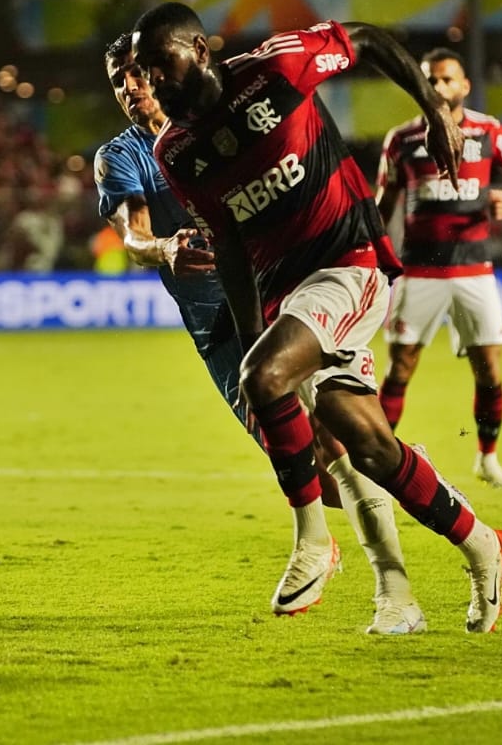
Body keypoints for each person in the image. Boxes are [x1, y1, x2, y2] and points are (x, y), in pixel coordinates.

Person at [132, 3, 502, 632]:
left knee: (264, 381)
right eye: (145, 75)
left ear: (199, 50)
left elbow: (366, 38)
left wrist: (431, 112)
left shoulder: (276, 70)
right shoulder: (176, 151)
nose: (155, 84)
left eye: (162, 65)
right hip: (290, 297)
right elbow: (230, 246)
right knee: (361, 442)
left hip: (350, 263)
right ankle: (480, 546)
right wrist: (255, 328)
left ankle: (313, 539)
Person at [95, 33, 424, 633]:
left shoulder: (225, 118)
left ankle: (393, 591)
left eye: (136, 74)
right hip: (219, 329)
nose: (131, 88)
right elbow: (131, 234)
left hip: (288, 294)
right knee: (317, 468)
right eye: (118, 81)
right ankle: (408, 490)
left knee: (341, 447)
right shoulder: (124, 156)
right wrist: (164, 247)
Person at [375, 47, 502, 490]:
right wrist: (375, 258)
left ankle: (487, 457)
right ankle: (377, 459)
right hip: (419, 272)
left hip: (474, 270)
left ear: (465, 86)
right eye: (431, 80)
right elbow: (381, 207)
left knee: (489, 367)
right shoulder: (401, 140)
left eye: (448, 79)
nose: (440, 87)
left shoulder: (489, 131)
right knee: (400, 366)